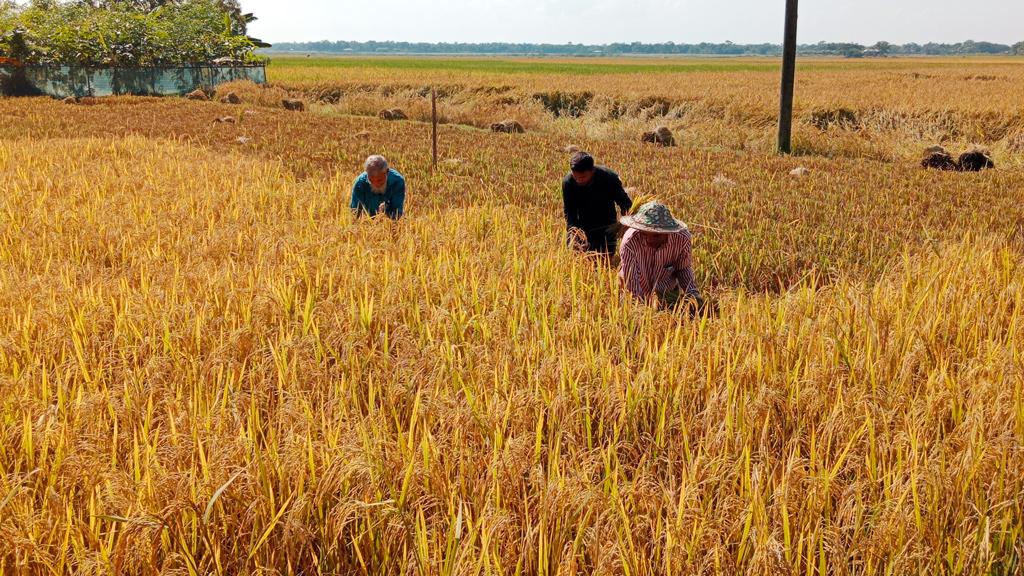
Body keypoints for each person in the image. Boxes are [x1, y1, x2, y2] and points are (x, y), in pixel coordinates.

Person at [618, 201, 704, 314]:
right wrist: (643, 310)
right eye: (644, 234)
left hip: (666, 294)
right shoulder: (630, 242)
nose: (649, 240)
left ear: (668, 232)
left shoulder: (681, 239)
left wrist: (693, 294)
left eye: (656, 235)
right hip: (634, 291)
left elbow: (683, 269)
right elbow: (632, 282)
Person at [561, 151, 632, 256]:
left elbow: (624, 202)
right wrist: (574, 232)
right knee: (579, 260)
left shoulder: (609, 178)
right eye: (576, 177)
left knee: (605, 259)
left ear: (592, 171)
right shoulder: (568, 183)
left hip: (606, 224)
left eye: (583, 177)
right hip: (582, 225)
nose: (579, 180)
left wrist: (626, 223)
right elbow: (570, 212)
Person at [350, 155, 405, 220]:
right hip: (367, 222)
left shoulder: (397, 182)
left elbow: (397, 213)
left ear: (387, 172)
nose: (376, 184)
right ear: (367, 173)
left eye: (380, 180)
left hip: (388, 222)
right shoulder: (359, 184)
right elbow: (355, 212)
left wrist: (386, 212)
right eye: (371, 180)